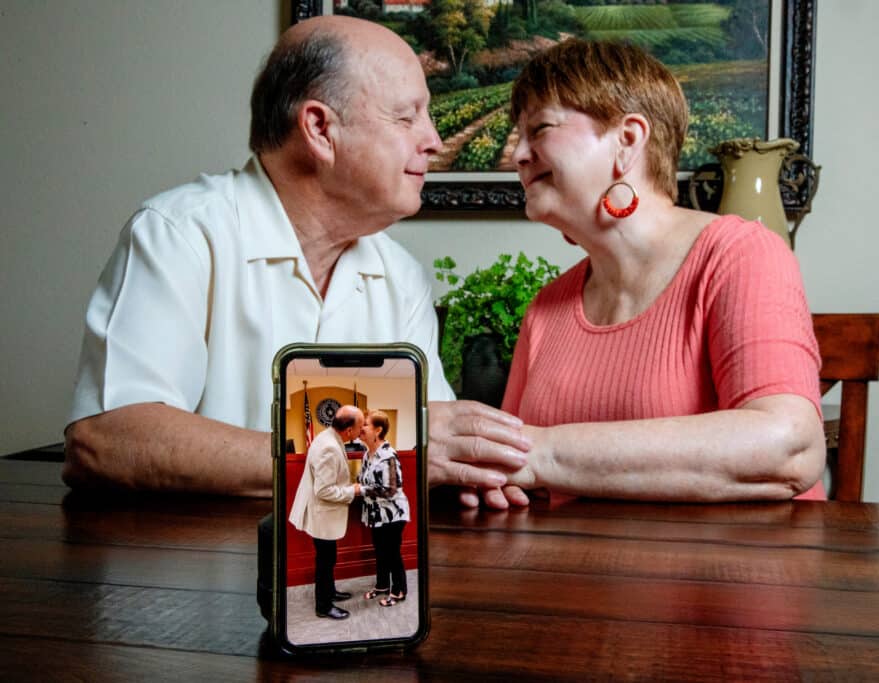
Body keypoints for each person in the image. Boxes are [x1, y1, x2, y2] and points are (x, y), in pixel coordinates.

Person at [61, 15, 529, 498]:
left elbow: (427, 450)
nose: (432, 140)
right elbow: (107, 440)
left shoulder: (401, 276)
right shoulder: (179, 234)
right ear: (320, 128)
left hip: (353, 570)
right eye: (407, 116)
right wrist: (355, 459)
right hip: (185, 568)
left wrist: (469, 476)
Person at [486, 39, 825, 508]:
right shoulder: (546, 307)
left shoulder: (741, 254)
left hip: (733, 577)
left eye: (539, 128)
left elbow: (789, 445)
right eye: (518, 135)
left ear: (627, 140)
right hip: (569, 577)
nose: (519, 155)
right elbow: (509, 469)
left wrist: (544, 454)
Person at [288, 405, 363, 619]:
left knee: (328, 559)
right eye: (359, 427)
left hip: (321, 513)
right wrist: (352, 490)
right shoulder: (329, 448)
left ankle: (330, 592)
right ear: (348, 430)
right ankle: (323, 606)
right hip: (322, 514)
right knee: (325, 562)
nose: (360, 431)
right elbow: (324, 490)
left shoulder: (328, 436)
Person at [358, 411, 410, 607]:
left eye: (365, 425)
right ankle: (382, 586)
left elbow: (390, 490)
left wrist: (360, 490)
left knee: (392, 553)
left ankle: (399, 591)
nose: (361, 429)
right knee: (380, 551)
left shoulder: (388, 455)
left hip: (393, 514)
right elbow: (364, 480)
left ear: (378, 430)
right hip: (375, 514)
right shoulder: (367, 454)